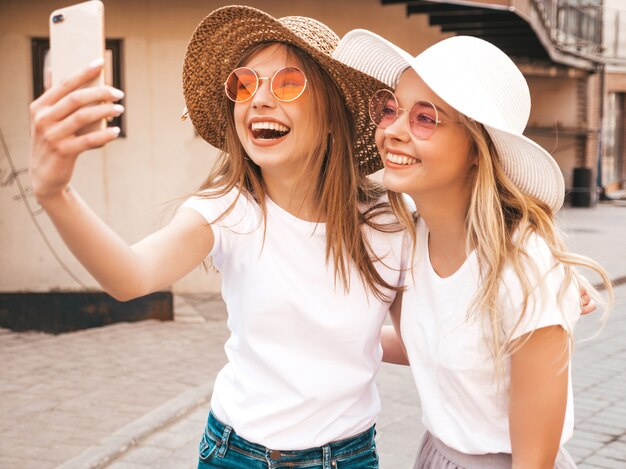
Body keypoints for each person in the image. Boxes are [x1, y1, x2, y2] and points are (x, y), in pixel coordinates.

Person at [29, 5, 414, 468]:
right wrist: (55, 192)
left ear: (335, 114)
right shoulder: (229, 210)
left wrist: (356, 342)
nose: (258, 100)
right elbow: (130, 276)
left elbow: (419, 343)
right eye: (244, 84)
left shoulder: (390, 222)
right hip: (234, 454)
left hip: (347, 457)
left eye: (288, 83)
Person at [334, 31, 613, 468]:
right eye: (390, 109)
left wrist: (552, 292)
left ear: (478, 151)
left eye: (425, 118)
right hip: (434, 455)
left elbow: (533, 462)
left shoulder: (526, 269)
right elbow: (438, 347)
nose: (392, 131)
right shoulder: (407, 235)